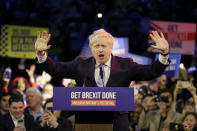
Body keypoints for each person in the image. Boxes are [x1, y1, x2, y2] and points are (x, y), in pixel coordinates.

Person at [35, 29, 170, 131]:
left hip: (116, 124)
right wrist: (42, 55)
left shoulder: (126, 65)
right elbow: (57, 70)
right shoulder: (80, 64)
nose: (100, 49)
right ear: (91, 48)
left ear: (110, 48)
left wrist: (164, 55)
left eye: (103, 46)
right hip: (87, 124)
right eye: (96, 46)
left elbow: (150, 72)